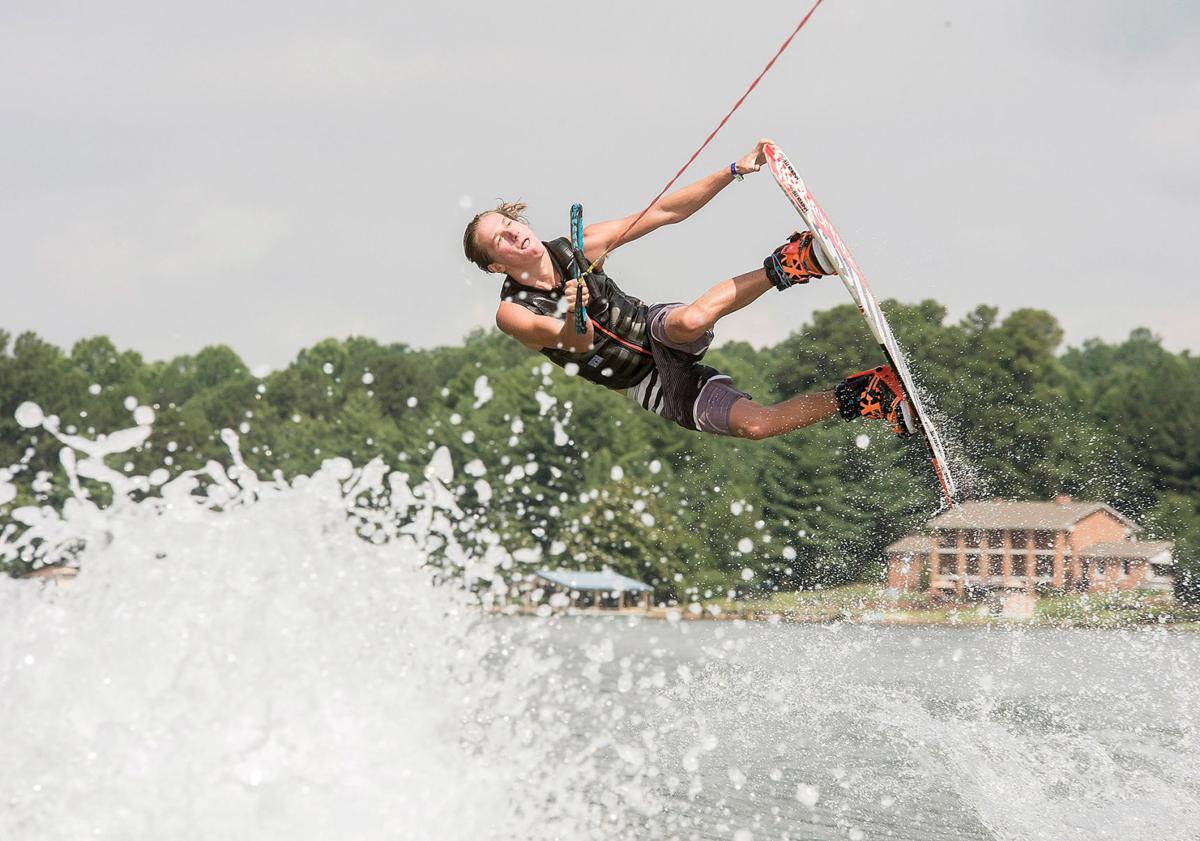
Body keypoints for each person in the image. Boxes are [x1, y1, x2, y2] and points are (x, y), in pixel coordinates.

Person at [461, 139, 915, 441]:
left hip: (652, 329)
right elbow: (576, 344)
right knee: (758, 426)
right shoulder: (513, 312)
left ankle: (796, 261)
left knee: (691, 320)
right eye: (500, 239)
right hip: (649, 384)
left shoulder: (579, 246)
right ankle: (868, 393)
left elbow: (665, 213)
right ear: (496, 264)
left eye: (508, 224)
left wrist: (733, 170)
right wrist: (574, 313)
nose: (513, 233)